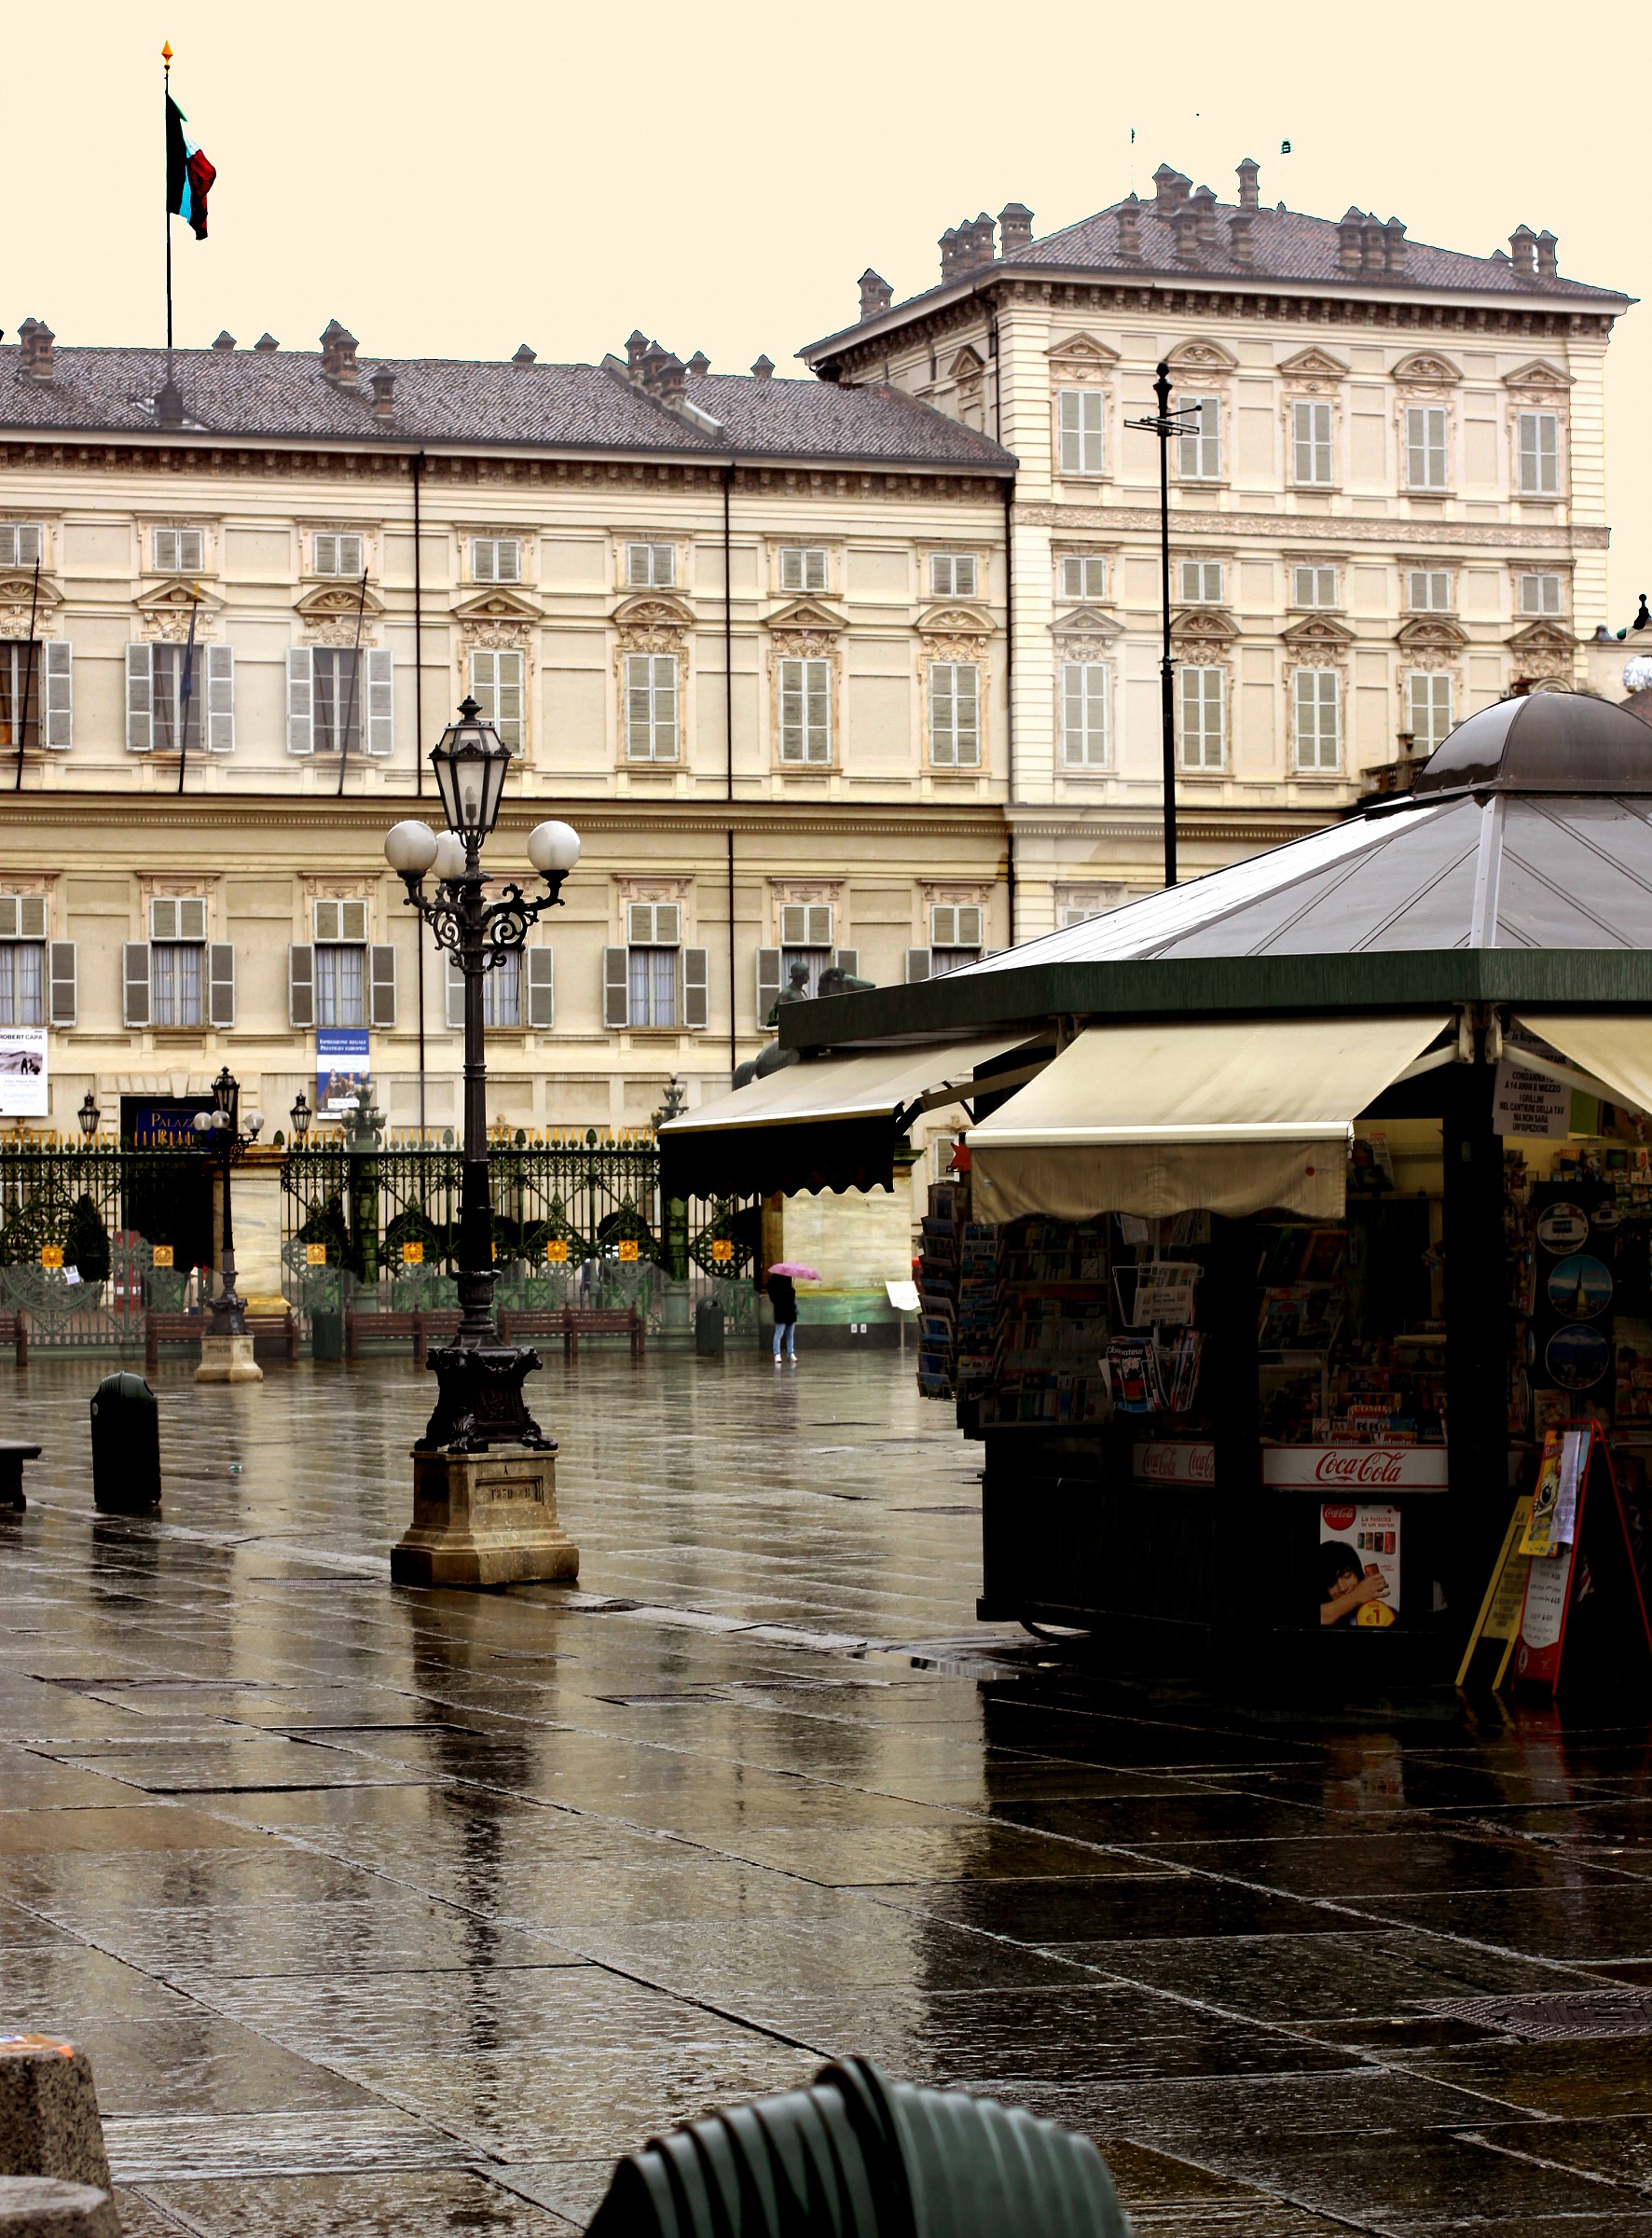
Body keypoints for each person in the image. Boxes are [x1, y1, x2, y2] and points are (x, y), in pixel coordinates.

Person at [1318, 1540, 1391, 1626]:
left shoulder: (1389, 1617)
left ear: (1358, 1574)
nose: (1342, 1588)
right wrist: (1357, 1595)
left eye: (1347, 1576)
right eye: (1331, 1582)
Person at [768, 1269, 798, 1363]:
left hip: (790, 1312)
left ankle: (790, 1353)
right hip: (781, 1312)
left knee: (790, 1334)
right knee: (779, 1334)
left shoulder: (790, 1286)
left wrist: (792, 1290)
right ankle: (777, 1354)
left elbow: (792, 1298)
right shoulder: (776, 1286)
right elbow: (774, 1297)